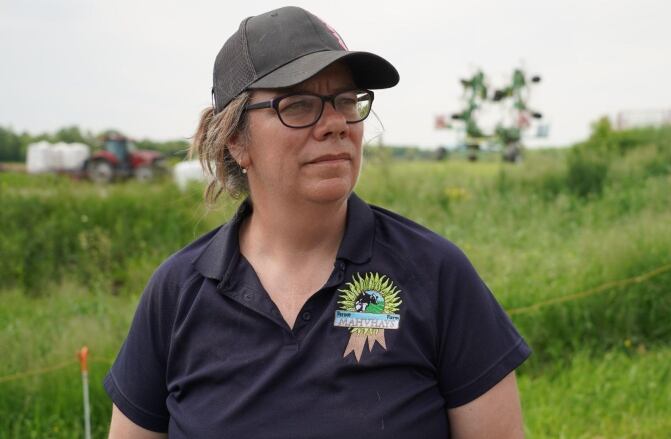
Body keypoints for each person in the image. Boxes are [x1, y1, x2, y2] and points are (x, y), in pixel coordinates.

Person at [104, 6, 531, 438]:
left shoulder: (436, 274)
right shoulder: (178, 294)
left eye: (346, 101)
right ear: (235, 140)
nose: (335, 124)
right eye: (299, 104)